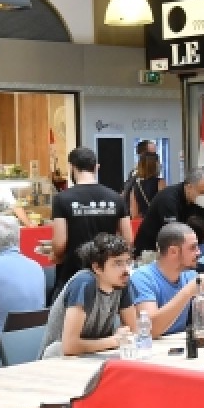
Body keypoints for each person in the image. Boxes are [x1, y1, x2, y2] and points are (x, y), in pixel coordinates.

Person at [41, 233, 139, 357]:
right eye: (118, 263)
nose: (126, 270)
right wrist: (114, 340)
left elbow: (133, 332)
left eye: (128, 262)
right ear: (97, 267)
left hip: (94, 358)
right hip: (57, 362)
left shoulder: (122, 282)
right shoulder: (84, 283)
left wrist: (123, 336)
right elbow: (69, 346)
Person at [130, 222, 204, 336]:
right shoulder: (143, 277)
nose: (199, 252)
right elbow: (150, 330)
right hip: (148, 349)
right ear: (173, 251)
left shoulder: (189, 275)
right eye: (193, 247)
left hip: (177, 346)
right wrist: (187, 292)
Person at [50, 146, 130, 290]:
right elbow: (128, 239)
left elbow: (60, 243)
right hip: (106, 273)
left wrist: (55, 253)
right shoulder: (116, 198)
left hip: (73, 274)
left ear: (72, 167)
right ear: (96, 167)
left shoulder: (62, 199)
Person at [133, 166, 204, 255]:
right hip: (149, 251)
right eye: (202, 192)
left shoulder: (198, 201)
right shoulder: (168, 199)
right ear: (189, 187)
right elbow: (173, 233)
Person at [122, 150, 163, 227]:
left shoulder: (136, 185)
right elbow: (163, 206)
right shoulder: (160, 183)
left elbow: (134, 214)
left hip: (142, 226)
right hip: (156, 224)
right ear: (155, 165)